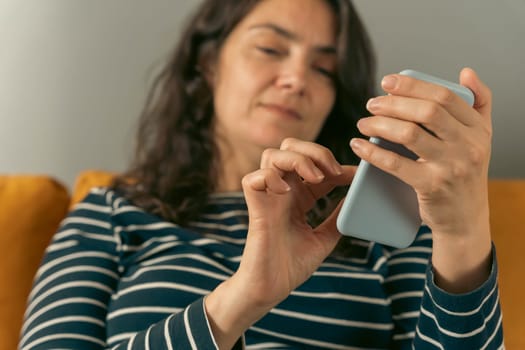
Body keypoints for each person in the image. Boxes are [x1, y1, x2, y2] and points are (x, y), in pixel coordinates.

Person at [19, 0, 504, 349]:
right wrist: (243, 298)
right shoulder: (112, 211)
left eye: (325, 69)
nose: (296, 78)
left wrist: (463, 233)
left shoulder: (386, 226)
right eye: (271, 49)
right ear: (208, 63)